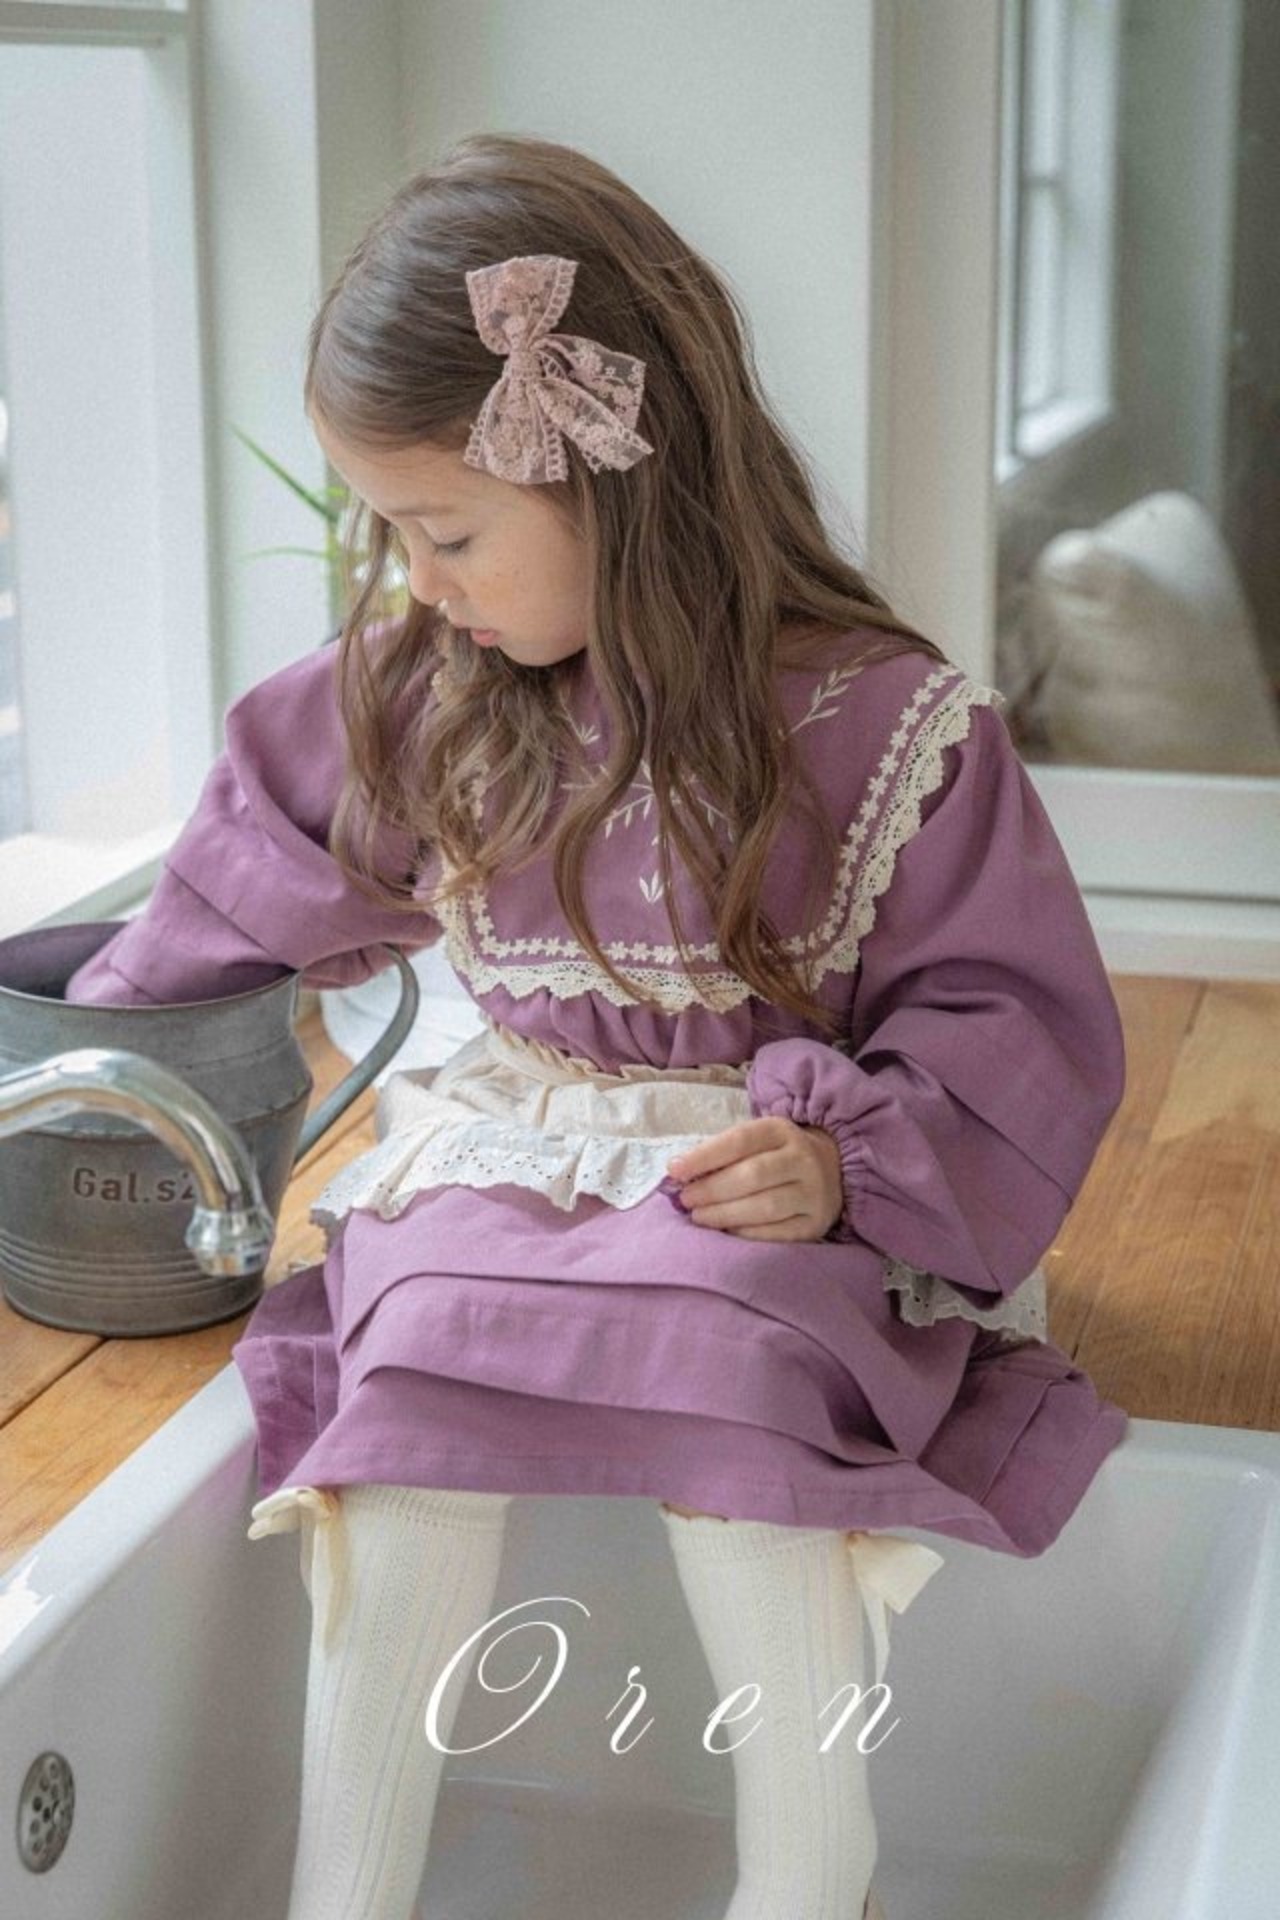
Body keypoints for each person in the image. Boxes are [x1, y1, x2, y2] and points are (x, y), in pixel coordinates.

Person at [63, 133, 1128, 1920]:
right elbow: (241, 868)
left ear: (610, 481)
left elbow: (1005, 1010)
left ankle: (812, 1874)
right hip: (522, 1138)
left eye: (447, 533)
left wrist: (844, 1163)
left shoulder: (877, 726)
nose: (420, 583)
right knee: (406, 1388)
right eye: (393, 536)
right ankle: (344, 1890)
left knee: (741, 1393)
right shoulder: (428, 693)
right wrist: (87, 1063)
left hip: (755, 1186)